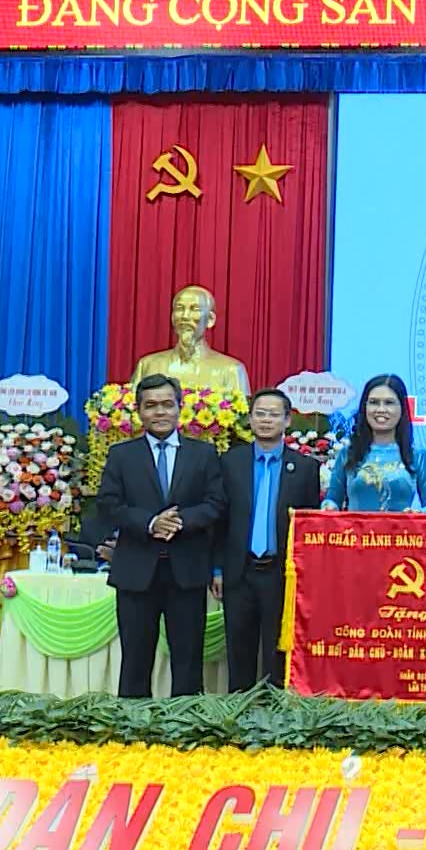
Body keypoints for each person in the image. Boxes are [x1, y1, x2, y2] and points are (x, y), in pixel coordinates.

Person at [96, 373, 226, 697]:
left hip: (187, 570)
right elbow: (109, 504)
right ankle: (133, 723)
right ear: (139, 411)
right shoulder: (122, 454)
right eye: (151, 405)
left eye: (167, 404)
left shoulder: (203, 453)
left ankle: (185, 722)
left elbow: (216, 503)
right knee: (135, 659)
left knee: (188, 660)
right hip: (136, 571)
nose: (160, 412)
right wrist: (151, 523)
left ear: (180, 407)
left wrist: (179, 521)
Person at [215, 388, 322, 691]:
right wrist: (217, 569)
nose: (266, 420)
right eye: (259, 413)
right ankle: (239, 708)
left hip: (281, 573)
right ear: (250, 419)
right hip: (239, 571)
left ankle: (275, 710)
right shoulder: (230, 462)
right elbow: (219, 520)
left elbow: (309, 526)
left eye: (274, 414)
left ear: (287, 420)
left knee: (278, 650)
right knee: (239, 650)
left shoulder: (305, 468)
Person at [326, 374, 426, 511]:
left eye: (389, 403)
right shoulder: (348, 453)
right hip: (355, 526)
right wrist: (329, 506)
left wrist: (420, 514)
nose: (381, 409)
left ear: (402, 408)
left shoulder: (418, 456)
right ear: (364, 408)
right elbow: (332, 499)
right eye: (374, 402)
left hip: (403, 526)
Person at [128, 285, 251, 399]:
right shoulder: (148, 365)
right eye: (179, 309)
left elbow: (241, 412)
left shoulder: (231, 370)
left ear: (210, 319)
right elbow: (131, 409)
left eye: (195, 309)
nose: (185, 316)